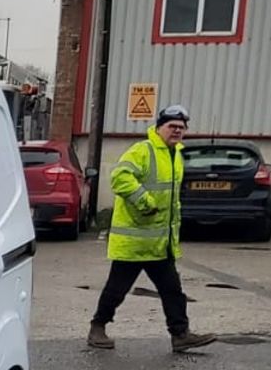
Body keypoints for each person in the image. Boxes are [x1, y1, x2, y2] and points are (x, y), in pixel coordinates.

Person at [88, 104, 218, 353]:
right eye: (172, 126)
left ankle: (181, 335)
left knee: (173, 291)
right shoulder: (142, 150)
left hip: (160, 242)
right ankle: (97, 328)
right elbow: (119, 177)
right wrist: (144, 201)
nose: (177, 131)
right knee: (116, 290)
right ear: (159, 128)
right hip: (135, 242)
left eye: (181, 128)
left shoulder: (175, 155)